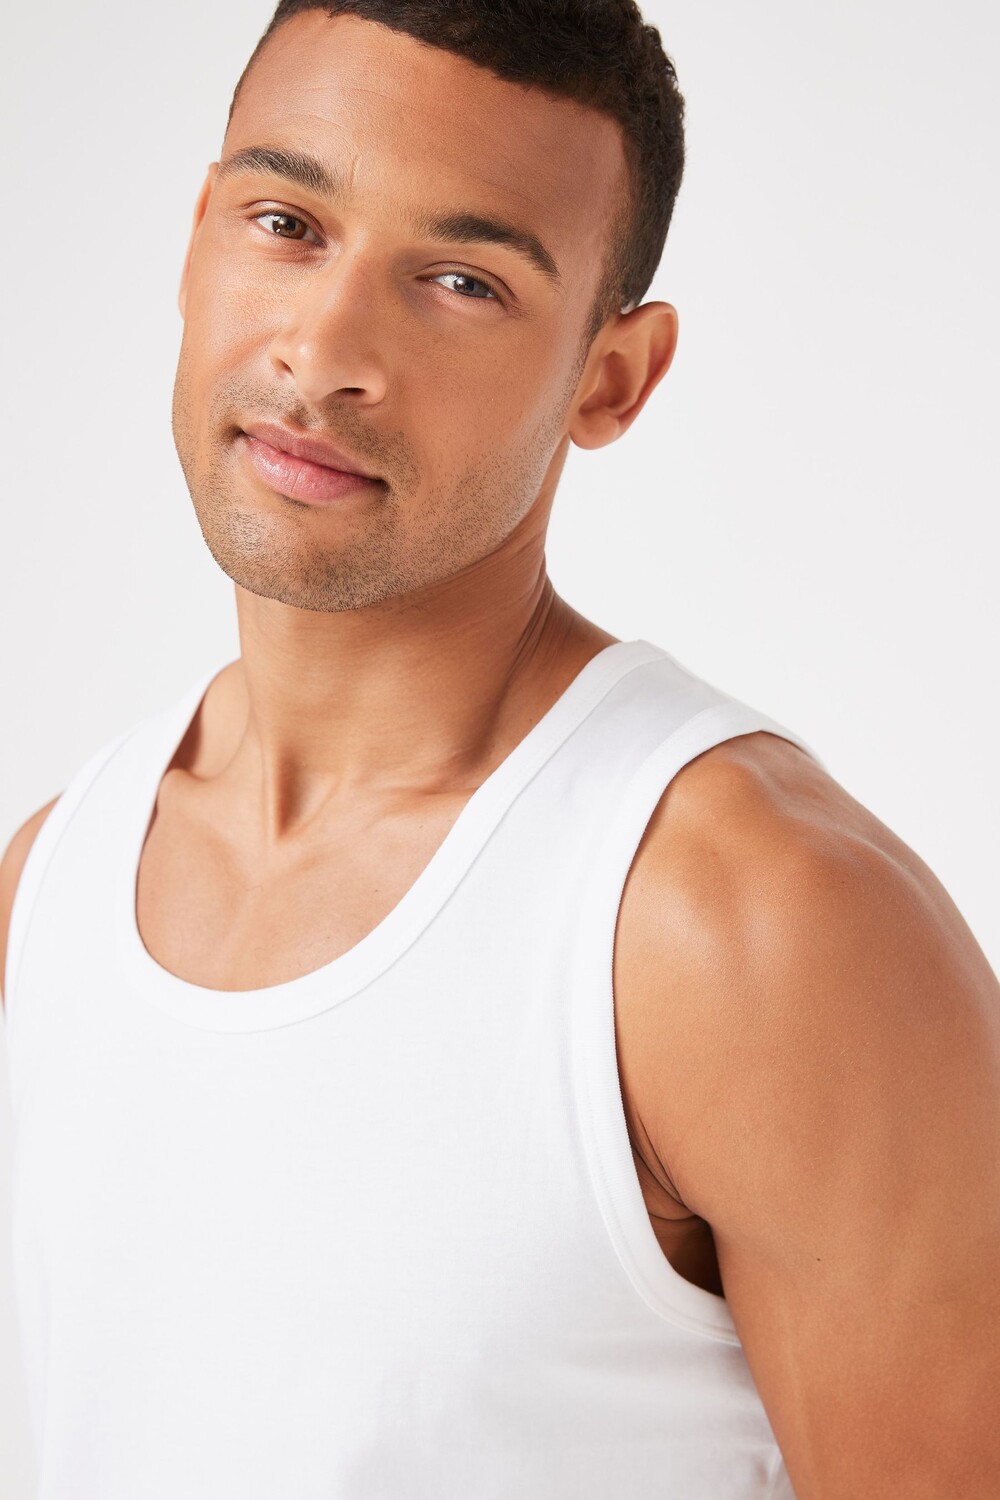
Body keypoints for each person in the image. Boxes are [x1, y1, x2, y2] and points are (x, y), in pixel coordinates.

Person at [1, 1, 997, 1495]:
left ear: (613, 378)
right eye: (287, 225)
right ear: (198, 235)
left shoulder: (750, 922)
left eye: (461, 282)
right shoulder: (53, 882)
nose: (325, 352)